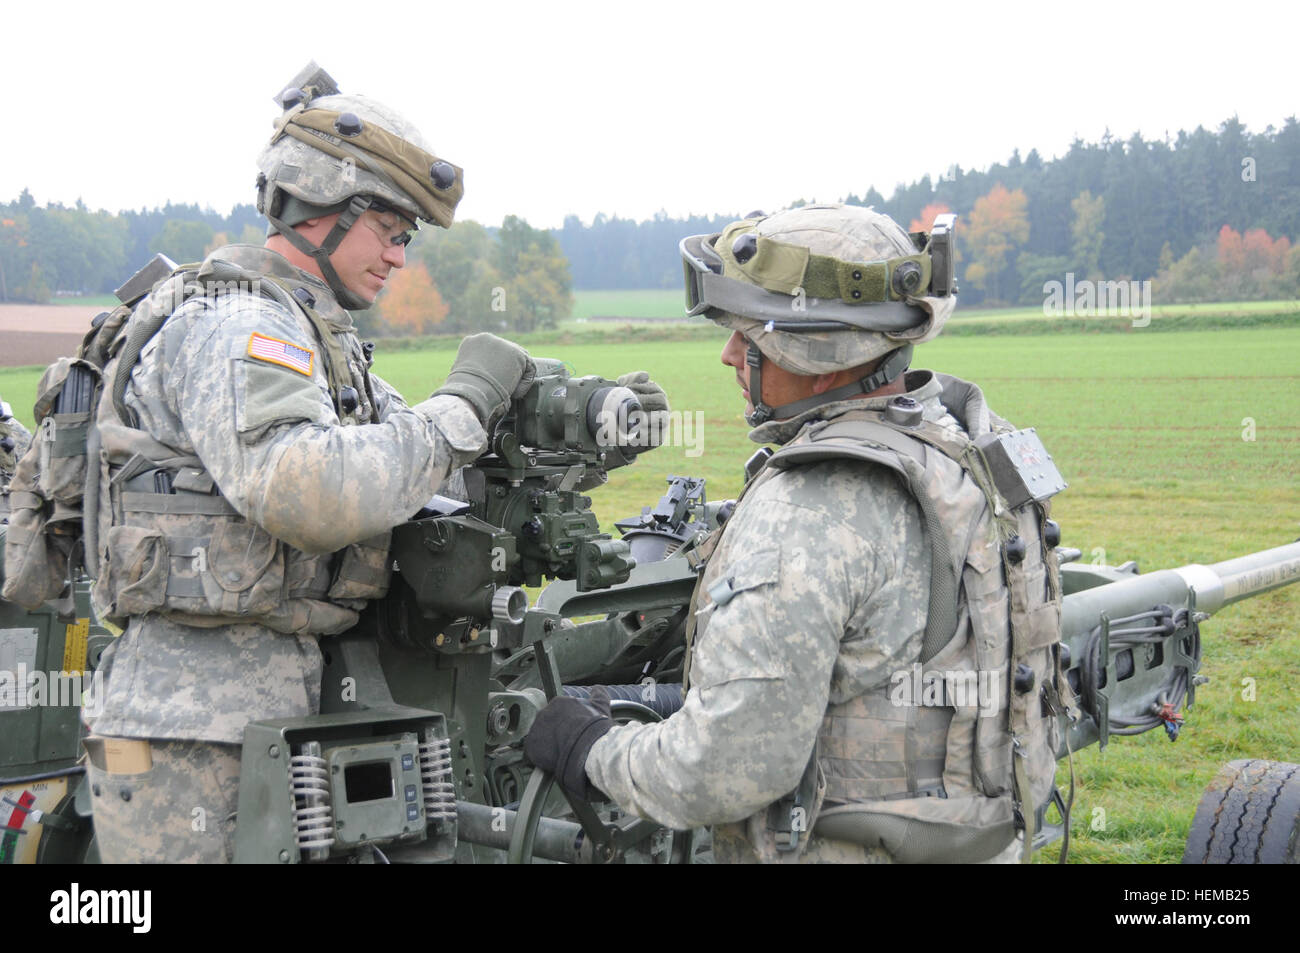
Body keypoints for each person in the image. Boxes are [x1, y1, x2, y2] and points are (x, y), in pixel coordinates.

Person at [78, 71, 537, 863]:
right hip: (193, 732)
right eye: (390, 230)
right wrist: (464, 407)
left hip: (268, 708)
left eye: (408, 238)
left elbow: (416, 466)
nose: (399, 257)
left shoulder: (316, 338)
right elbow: (308, 490)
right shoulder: (243, 326)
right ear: (322, 208)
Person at [525, 203, 1066, 864]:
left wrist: (589, 748)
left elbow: (722, 768)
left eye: (750, 338)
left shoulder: (812, 504)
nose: (729, 355)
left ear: (816, 351)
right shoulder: (979, 450)